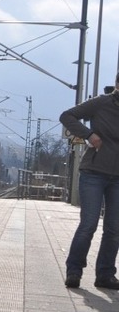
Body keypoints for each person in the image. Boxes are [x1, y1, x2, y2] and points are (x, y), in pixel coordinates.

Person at [59, 72, 119, 289]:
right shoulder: (101, 104)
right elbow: (67, 116)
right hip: (93, 172)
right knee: (89, 224)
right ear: (117, 85)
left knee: (114, 228)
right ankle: (74, 271)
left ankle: (105, 275)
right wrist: (89, 135)